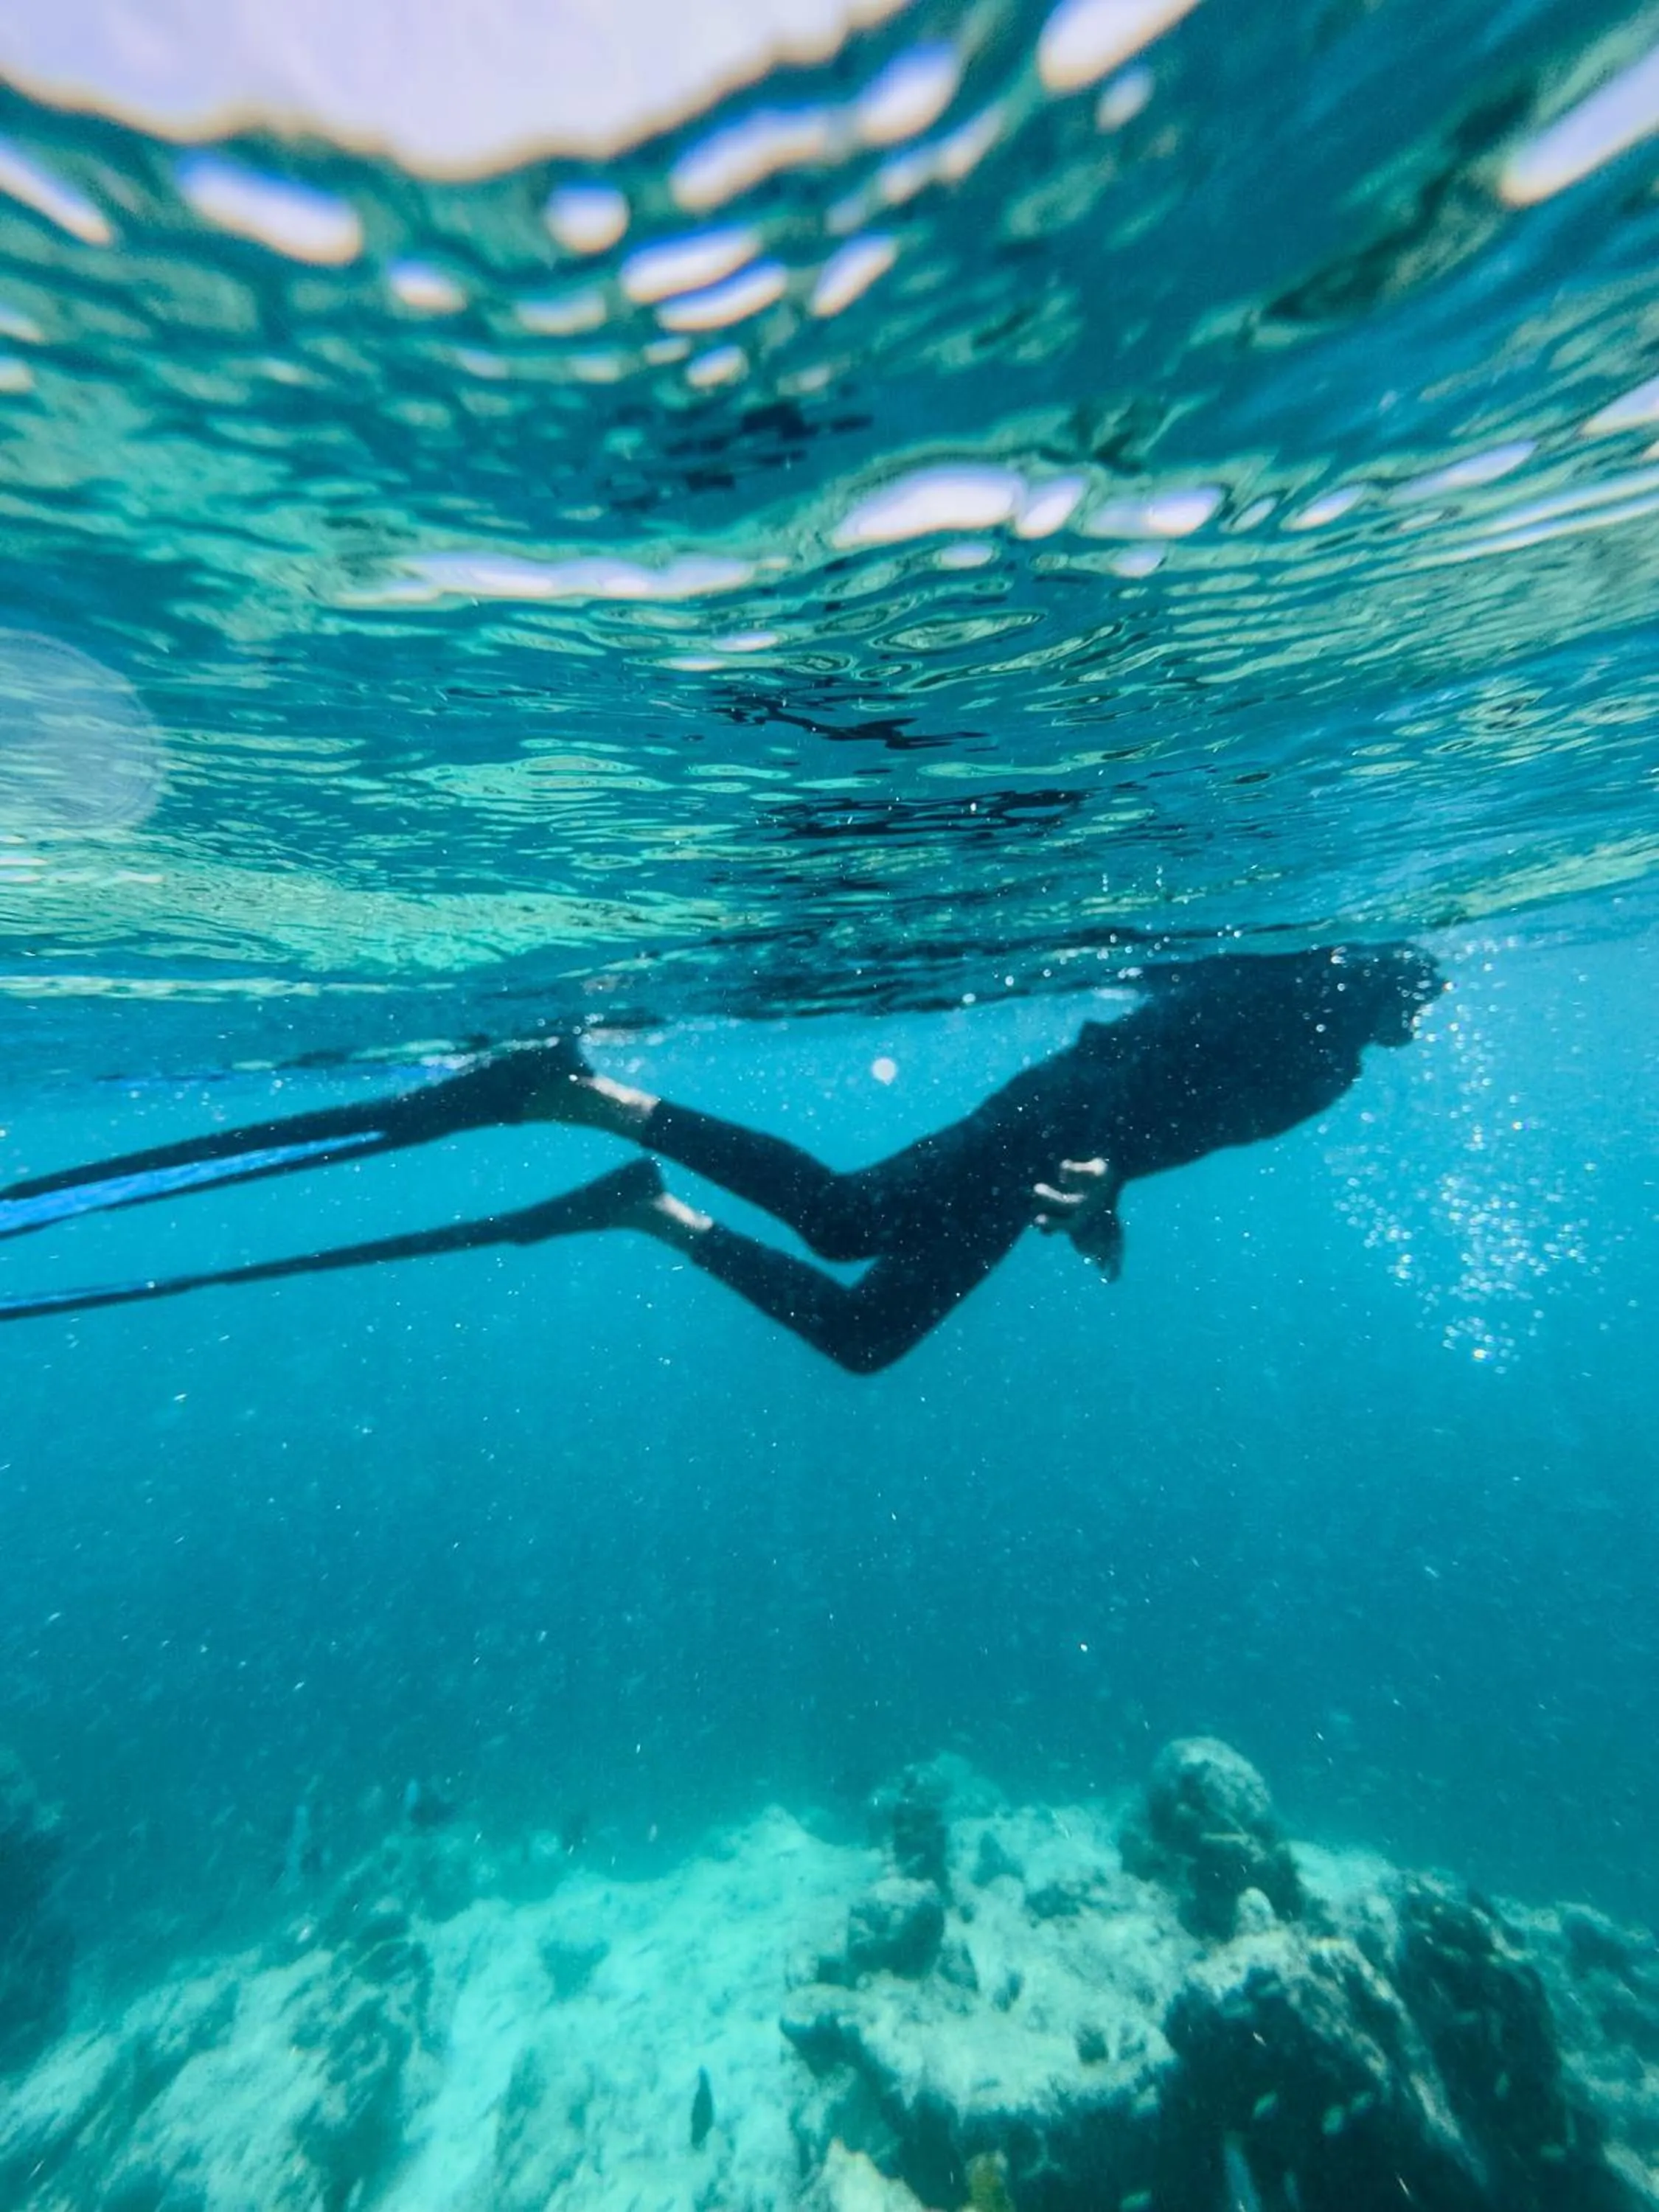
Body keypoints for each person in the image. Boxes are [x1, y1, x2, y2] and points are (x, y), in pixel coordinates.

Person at [0, 945, 1441, 1368]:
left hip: (1069, 1132)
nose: (1418, 1028)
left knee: (870, 1331)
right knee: (843, 1217)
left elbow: (1179, 1112)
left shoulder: (1327, 1061)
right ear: (1376, 982)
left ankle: (643, 1206)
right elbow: (1157, 1053)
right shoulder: (1306, 1015)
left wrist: (1109, 1188)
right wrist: (1082, 1147)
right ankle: (579, 1100)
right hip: (1051, 1110)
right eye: (1410, 1001)